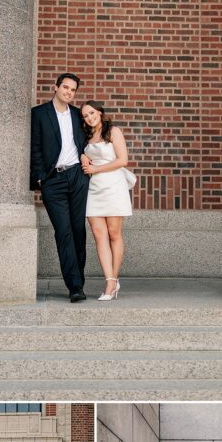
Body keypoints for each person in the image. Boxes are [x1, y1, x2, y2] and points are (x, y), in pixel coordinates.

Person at [30, 73, 89, 303]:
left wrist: (86, 159)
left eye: (73, 90)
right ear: (55, 88)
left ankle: (78, 282)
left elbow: (86, 142)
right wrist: (40, 178)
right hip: (53, 180)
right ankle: (74, 286)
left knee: (78, 232)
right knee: (63, 232)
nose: (69, 92)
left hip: (76, 177)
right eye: (65, 87)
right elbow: (35, 147)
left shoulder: (77, 115)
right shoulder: (39, 114)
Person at [80, 101, 134, 301]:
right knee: (97, 233)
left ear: (100, 113)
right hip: (94, 188)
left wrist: (96, 169)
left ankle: (112, 281)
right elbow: (83, 152)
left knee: (114, 233)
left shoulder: (113, 131)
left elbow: (123, 160)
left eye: (91, 113)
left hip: (113, 185)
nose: (89, 117)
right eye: (85, 115)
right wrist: (83, 156)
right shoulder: (86, 135)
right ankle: (109, 278)